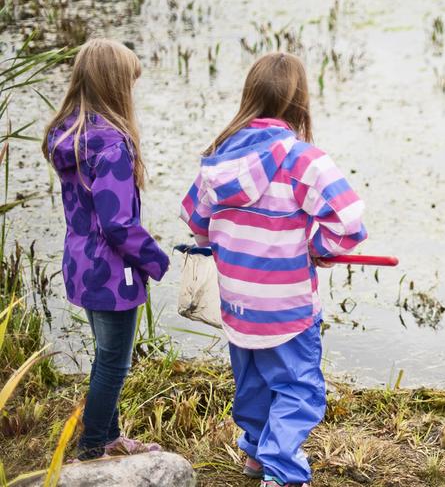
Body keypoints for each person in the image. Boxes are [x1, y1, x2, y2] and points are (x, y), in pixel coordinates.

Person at [180, 52, 367, 487]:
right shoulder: (303, 159)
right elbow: (350, 222)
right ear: (299, 102)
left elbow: (195, 221)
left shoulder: (219, 157)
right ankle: (281, 472)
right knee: (300, 389)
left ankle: (256, 453)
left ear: (250, 96)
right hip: (287, 305)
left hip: (237, 302)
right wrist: (317, 245)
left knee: (253, 383)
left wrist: (226, 244)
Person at [42, 39, 170, 461]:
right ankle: (95, 442)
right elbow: (118, 224)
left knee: (104, 354)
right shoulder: (113, 145)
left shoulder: (70, 136)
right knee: (114, 362)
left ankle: (109, 433)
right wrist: (156, 259)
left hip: (80, 263)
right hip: (113, 271)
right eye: (130, 83)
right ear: (116, 86)